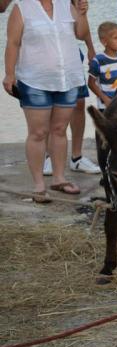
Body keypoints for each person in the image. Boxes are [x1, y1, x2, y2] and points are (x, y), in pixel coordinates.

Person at [3, 0, 90, 202]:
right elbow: (13, 43)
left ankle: (59, 179)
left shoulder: (66, 5)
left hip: (67, 78)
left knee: (59, 130)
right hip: (34, 80)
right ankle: (39, 185)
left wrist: (82, 14)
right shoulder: (22, 8)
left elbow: (81, 34)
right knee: (38, 132)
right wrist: (9, 73)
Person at [43, 38, 102, 175]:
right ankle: (49, 156)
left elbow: (81, 27)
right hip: (45, 49)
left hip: (70, 50)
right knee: (50, 103)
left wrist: (90, 47)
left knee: (78, 102)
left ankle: (77, 158)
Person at [88, 22, 117, 111]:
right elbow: (91, 83)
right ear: (104, 42)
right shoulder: (98, 60)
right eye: (115, 38)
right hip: (106, 107)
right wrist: (105, 99)